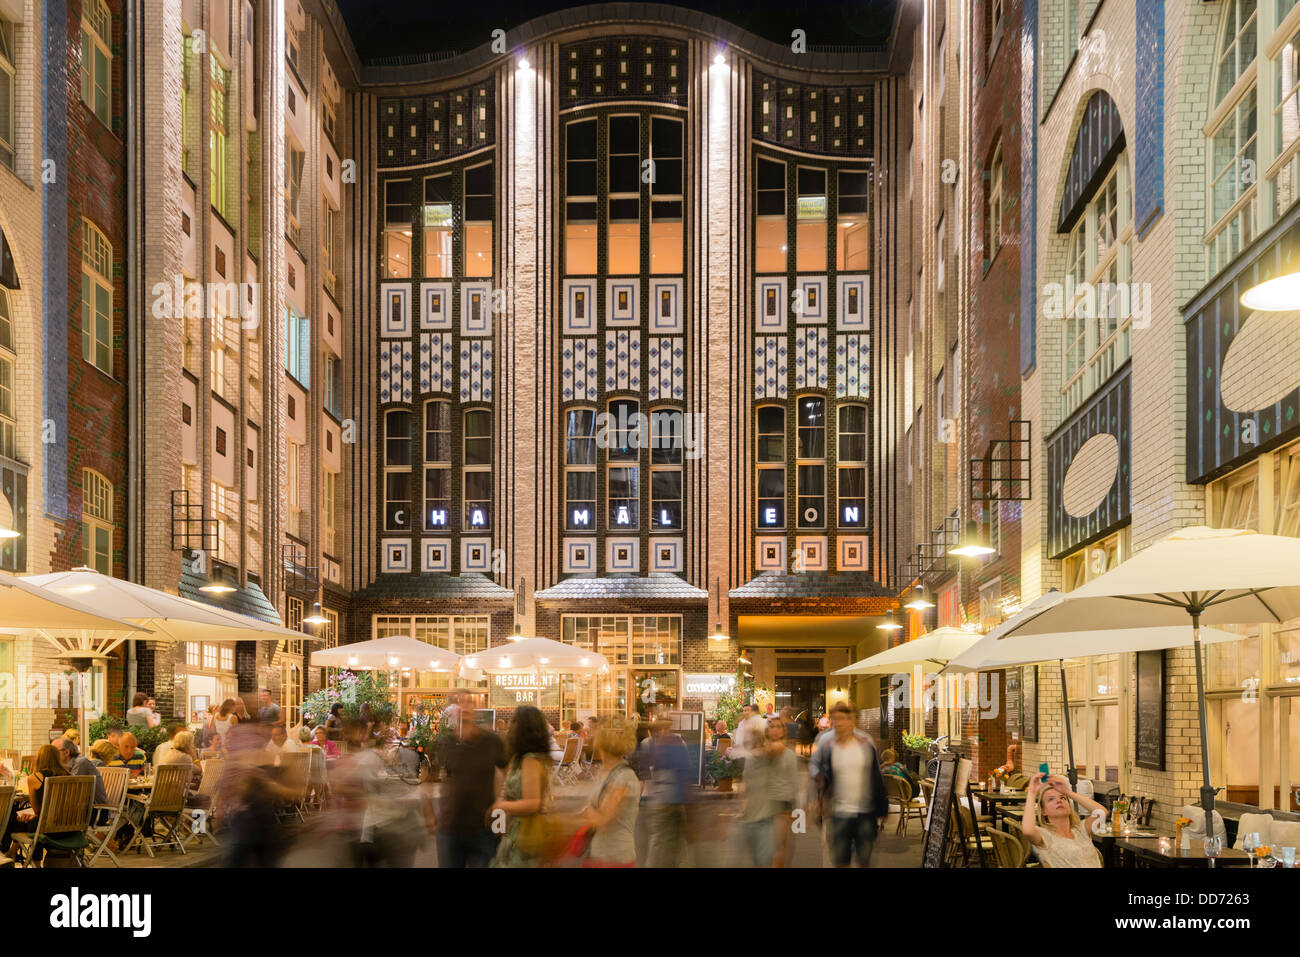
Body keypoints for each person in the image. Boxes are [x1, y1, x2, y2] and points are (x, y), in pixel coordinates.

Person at [809, 702, 888, 868]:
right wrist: (819, 797)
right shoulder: (828, 745)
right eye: (835, 718)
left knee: (864, 861)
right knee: (840, 861)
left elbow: (876, 777)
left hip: (865, 813)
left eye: (843, 718)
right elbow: (821, 770)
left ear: (851, 720)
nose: (839, 723)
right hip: (839, 814)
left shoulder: (866, 744)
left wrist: (883, 808)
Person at [436, 704, 507, 867]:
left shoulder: (492, 741)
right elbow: (430, 776)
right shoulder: (445, 742)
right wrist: (428, 810)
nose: (464, 710)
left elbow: (507, 771)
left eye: (467, 705)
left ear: (474, 713)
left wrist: (501, 801)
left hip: (484, 826)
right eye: (459, 706)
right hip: (449, 827)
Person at [491, 705, 554, 867]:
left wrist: (501, 806)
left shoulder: (530, 760)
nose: (510, 726)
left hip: (524, 835)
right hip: (518, 832)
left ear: (523, 728)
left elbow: (533, 803)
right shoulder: (525, 758)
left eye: (514, 721)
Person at [581, 715, 641, 867]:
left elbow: (602, 819)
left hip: (615, 857)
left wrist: (586, 811)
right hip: (603, 855)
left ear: (602, 743)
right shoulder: (609, 772)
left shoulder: (623, 776)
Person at [740, 719, 798, 866]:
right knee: (765, 847)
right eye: (771, 726)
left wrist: (795, 808)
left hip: (783, 802)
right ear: (766, 730)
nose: (775, 730)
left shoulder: (789, 754)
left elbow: (793, 781)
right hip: (766, 803)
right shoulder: (763, 751)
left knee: (779, 846)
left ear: (784, 731)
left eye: (779, 727)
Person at [1022, 772, 1106, 868]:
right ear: (1043, 811)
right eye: (1051, 799)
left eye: (1063, 798)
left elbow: (1102, 813)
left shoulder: (1081, 829)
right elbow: (1028, 830)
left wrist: (1067, 792)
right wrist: (1032, 792)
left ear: (1070, 807)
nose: (1059, 801)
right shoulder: (1045, 835)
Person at [644, 718, 693, 867]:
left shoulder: (648, 744)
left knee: (658, 842)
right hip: (672, 799)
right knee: (678, 843)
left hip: (658, 798)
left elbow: (645, 770)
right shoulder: (677, 743)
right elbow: (686, 773)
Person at [4, 745, 67, 856]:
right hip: (69, 826)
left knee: (18, 819)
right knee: (32, 821)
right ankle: (12, 852)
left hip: (48, 827)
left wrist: (34, 816)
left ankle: (9, 853)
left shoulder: (35, 778)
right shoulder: (69, 775)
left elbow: (37, 810)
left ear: (40, 758)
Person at [53, 736, 107, 806]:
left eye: (54, 751)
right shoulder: (66, 764)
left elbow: (70, 789)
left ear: (66, 752)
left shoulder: (81, 763)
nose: (52, 755)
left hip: (96, 809)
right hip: (81, 807)